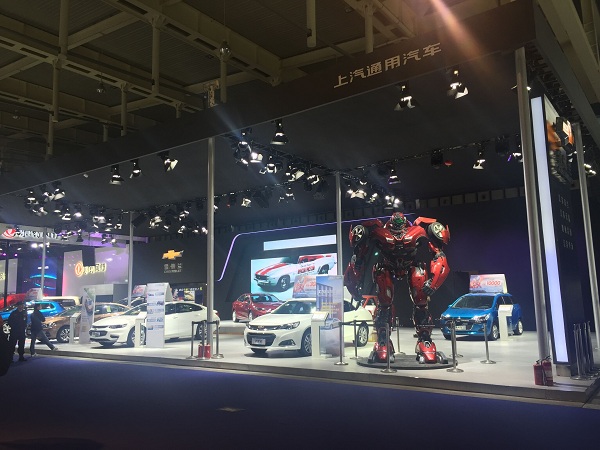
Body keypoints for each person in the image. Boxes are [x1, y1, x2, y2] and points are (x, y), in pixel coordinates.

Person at [344, 212, 450, 364]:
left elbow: (439, 255)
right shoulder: (376, 230)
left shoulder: (420, 228)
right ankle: (383, 339)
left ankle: (424, 338)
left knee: (421, 301)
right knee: (384, 303)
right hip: (387, 266)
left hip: (411, 265)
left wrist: (433, 283)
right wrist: (354, 286)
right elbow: (358, 258)